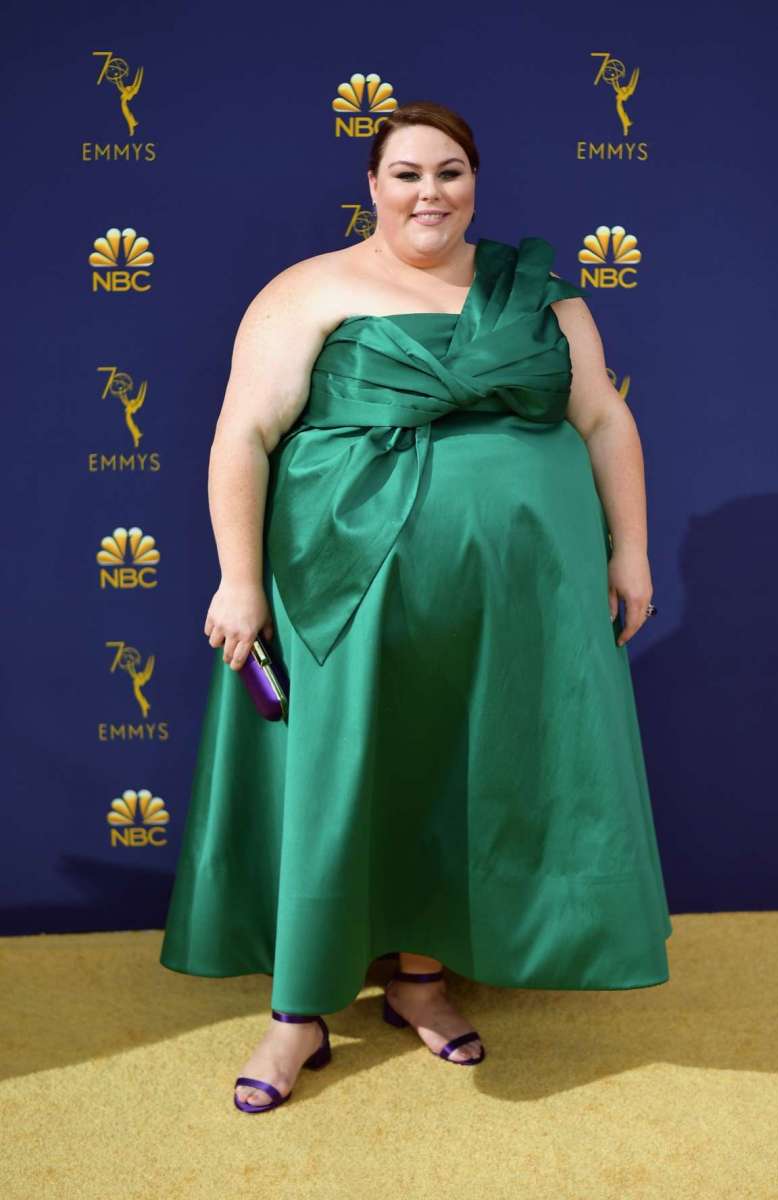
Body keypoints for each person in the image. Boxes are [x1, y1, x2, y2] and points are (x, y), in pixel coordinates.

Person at [159, 100, 672, 1114]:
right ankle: (297, 1015)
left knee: (459, 768)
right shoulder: (307, 289)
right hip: (340, 587)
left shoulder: (539, 294)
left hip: (517, 597)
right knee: (336, 775)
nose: (429, 192)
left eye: (449, 172)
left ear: (474, 182)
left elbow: (604, 418)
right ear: (371, 185)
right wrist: (238, 577)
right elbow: (242, 438)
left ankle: (420, 981)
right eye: (406, 174)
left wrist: (631, 551)